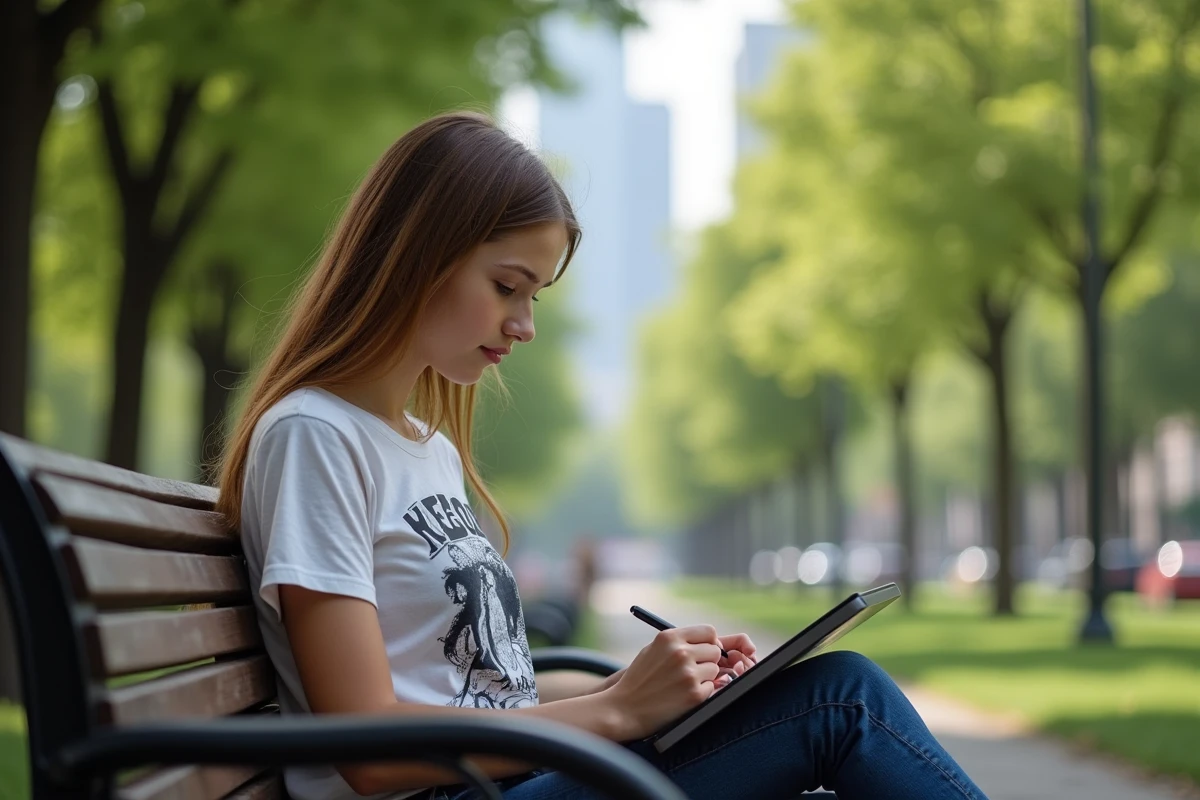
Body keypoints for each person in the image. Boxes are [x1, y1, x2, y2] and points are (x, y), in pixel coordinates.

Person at [215, 111, 988, 800]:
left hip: (502, 780)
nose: (524, 324)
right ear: (418, 255)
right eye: (507, 286)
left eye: (534, 297)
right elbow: (364, 747)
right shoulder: (315, 436)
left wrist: (646, 689)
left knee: (840, 719)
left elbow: (478, 696)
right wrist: (617, 709)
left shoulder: (427, 450)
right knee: (841, 701)